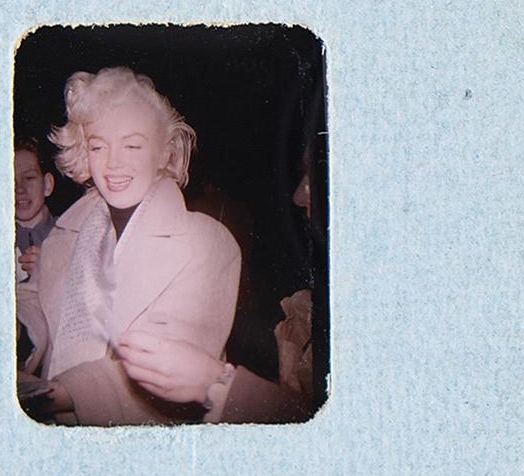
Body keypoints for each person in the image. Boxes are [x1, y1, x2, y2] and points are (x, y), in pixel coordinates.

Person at [16, 66, 241, 425]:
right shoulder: (63, 237)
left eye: (132, 145)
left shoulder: (207, 243)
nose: (113, 164)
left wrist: (54, 393)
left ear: (164, 153)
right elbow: (33, 307)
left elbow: (167, 370)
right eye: (98, 146)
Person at [115, 168, 319, 424]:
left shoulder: (205, 219)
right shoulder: (236, 210)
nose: (299, 195)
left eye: (314, 173)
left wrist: (216, 383)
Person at [14, 137, 57, 283]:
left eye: (29, 178)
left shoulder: (71, 234)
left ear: (47, 185)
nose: (19, 189)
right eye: (10, 180)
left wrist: (54, 271)